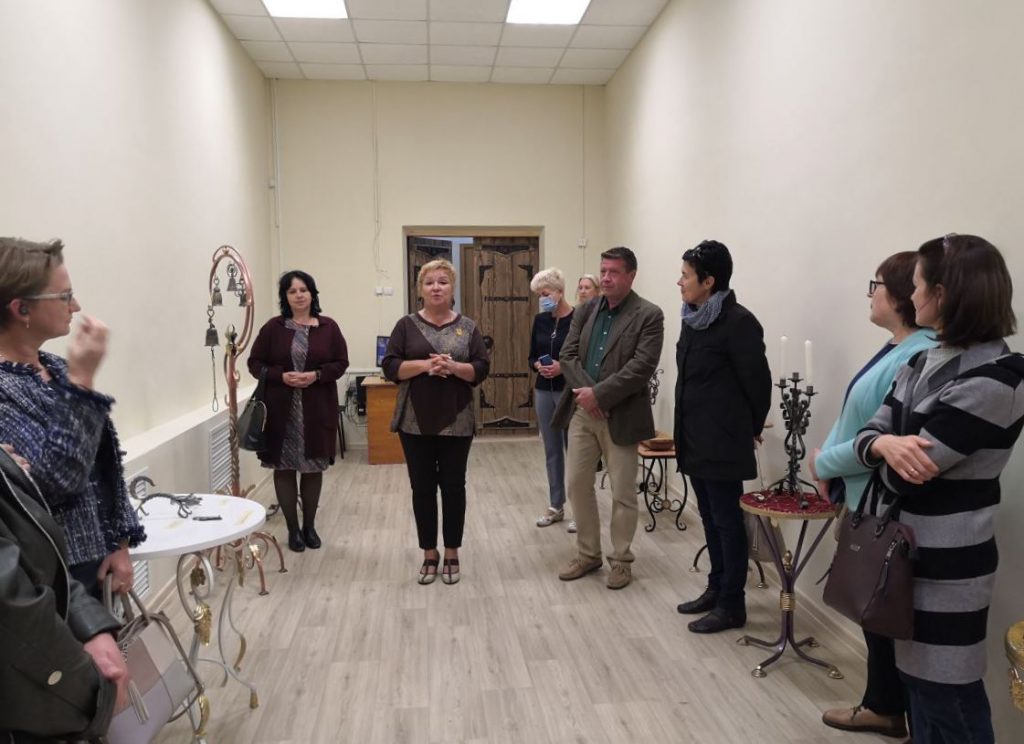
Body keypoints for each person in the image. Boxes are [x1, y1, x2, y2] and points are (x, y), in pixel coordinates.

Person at [854, 234, 1024, 744]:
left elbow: (906, 474)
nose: (911, 294)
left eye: (918, 284)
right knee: (917, 687)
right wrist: (884, 446)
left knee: (948, 694)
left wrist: (883, 451)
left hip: (949, 565)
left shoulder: (1001, 379)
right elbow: (871, 435)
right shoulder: (921, 360)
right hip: (904, 553)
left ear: (943, 294)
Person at [811, 252, 936, 738]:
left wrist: (826, 463)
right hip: (860, 491)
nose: (870, 293)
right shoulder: (897, 346)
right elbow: (861, 420)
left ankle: (885, 708)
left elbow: (883, 439)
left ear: (902, 295)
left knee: (880, 606)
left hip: (880, 503)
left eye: (876, 284)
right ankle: (882, 703)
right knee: (874, 608)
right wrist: (829, 461)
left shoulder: (917, 353)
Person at [0, 237, 144, 599]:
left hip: (99, 559)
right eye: (65, 296)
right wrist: (81, 384)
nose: (75, 306)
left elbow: (104, 465)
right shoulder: (9, 387)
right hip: (53, 580)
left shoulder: (58, 368)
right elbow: (54, 482)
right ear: (21, 309)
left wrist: (119, 541)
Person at [552, 246, 664, 590]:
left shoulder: (649, 315)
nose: (606, 278)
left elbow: (641, 367)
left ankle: (621, 561)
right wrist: (589, 397)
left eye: (614, 272)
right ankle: (588, 554)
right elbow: (568, 355)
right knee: (577, 484)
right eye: (603, 271)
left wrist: (599, 395)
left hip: (623, 416)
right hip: (583, 414)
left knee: (623, 492)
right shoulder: (586, 310)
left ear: (631, 275)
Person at [673, 240, 772, 633]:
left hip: (723, 440)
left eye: (685, 276)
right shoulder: (693, 319)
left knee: (728, 522)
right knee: (710, 519)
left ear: (709, 281)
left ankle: (733, 603)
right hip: (695, 437)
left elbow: (758, 384)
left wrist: (750, 429)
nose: (679, 282)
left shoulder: (739, 322)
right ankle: (715, 588)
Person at [0, 446, 129, 743]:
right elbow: (61, 473)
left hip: (66, 568)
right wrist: (93, 695)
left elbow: (107, 464)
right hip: (31, 669)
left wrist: (121, 541)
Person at [382, 259, 490, 585]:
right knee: (423, 488)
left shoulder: (468, 327)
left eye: (443, 281)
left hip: (458, 421)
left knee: (454, 488)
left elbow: (481, 369)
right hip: (414, 422)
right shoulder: (406, 326)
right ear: (420, 289)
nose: (436, 287)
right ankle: (429, 551)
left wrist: (453, 367)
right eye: (429, 282)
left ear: (452, 288)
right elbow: (391, 367)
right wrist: (426, 366)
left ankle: (452, 549)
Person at [248, 270, 349, 553]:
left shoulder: (329, 327)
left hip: (317, 410)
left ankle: (309, 526)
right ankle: (292, 529)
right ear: (285, 297)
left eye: (303, 289)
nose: (299, 295)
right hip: (280, 411)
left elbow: (341, 363)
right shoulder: (273, 328)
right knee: (284, 468)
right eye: (292, 291)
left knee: (313, 468)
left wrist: (316, 375)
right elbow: (255, 363)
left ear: (312, 293)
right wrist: (280, 376)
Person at [528, 268, 576, 533]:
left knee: (576, 451)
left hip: (569, 391)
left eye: (545, 294)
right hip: (543, 391)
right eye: (539, 295)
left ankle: (581, 509)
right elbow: (531, 356)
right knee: (552, 450)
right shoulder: (540, 320)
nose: (542, 299)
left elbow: (582, 358)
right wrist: (538, 365)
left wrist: (562, 368)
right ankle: (556, 505)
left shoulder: (578, 319)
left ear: (559, 291)